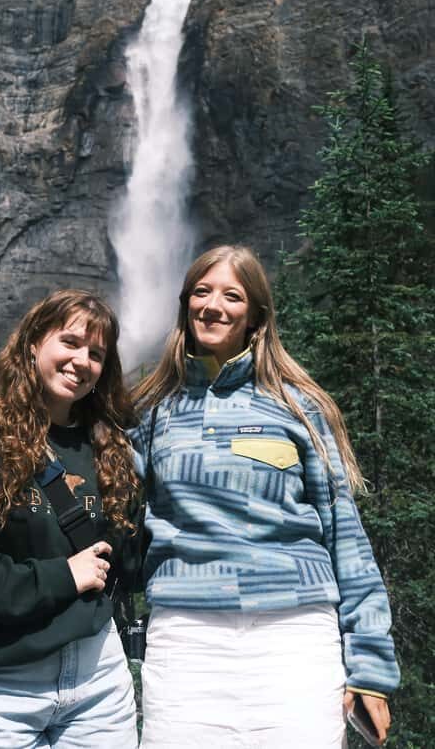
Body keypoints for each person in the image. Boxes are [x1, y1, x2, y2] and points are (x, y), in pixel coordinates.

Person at [130, 245, 399, 748]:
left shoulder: (298, 408)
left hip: (294, 637)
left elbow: (346, 535)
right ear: (185, 303)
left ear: (255, 316)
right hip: (186, 639)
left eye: (232, 295)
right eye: (201, 292)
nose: (213, 306)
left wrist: (371, 666)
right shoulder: (151, 413)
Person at [0, 289, 141, 749]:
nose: (82, 360)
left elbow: (128, 561)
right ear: (33, 342)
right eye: (70, 342)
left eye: (96, 353)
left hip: (99, 680)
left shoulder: (111, 448)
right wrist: (62, 577)